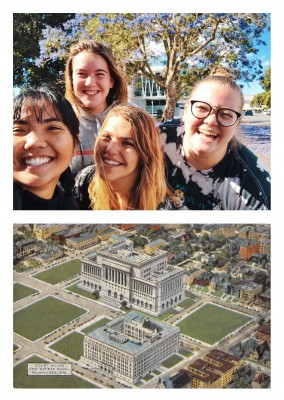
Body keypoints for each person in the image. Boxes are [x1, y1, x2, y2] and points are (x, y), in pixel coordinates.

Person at [160, 66, 271, 210]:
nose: (211, 121)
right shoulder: (156, 138)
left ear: (237, 124)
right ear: (186, 111)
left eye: (225, 114)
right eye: (202, 108)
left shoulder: (255, 192)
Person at [73, 105, 183, 210]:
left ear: (145, 154)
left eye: (127, 143)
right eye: (107, 137)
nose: (110, 149)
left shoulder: (165, 209)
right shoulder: (84, 182)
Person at [65, 40, 128, 175]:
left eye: (100, 74)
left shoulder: (132, 123)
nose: (90, 82)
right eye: (82, 74)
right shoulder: (60, 124)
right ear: (71, 79)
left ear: (111, 81)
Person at [13, 86, 81, 210]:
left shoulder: (70, 204)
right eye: (18, 130)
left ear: (74, 144)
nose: (34, 142)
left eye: (52, 128)